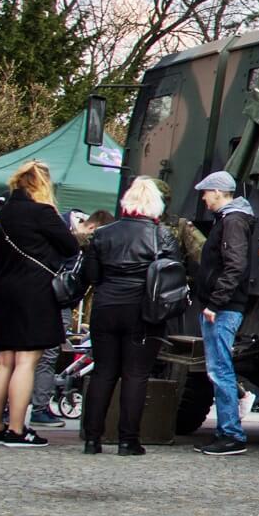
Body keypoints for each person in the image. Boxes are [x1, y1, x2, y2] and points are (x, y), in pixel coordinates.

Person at [78, 178, 181, 456]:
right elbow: (173, 277)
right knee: (136, 375)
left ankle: (92, 439)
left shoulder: (103, 234)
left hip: (106, 307)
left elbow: (90, 276)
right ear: (156, 205)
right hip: (144, 312)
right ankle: (128, 440)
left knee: (103, 372)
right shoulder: (163, 235)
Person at [0, 160, 78, 448]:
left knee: (4, 360)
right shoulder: (42, 212)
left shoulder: (3, 214)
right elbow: (70, 247)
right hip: (34, 290)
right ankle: (16, 429)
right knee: (27, 361)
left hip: (4, 289)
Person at [193, 170, 253, 457]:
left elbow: (235, 266)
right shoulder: (232, 220)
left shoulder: (232, 222)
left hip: (223, 308)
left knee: (220, 371)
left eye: (206, 192)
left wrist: (214, 303)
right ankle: (226, 431)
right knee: (219, 370)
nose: (203, 198)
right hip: (224, 306)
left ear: (218, 192)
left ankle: (231, 434)